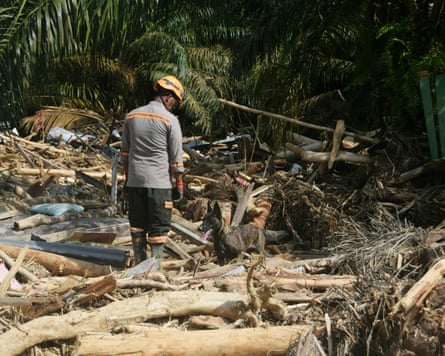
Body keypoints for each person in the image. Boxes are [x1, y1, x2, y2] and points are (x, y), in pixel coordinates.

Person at [120, 75, 185, 264]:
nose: (173, 106)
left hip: (135, 182)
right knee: (159, 227)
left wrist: (127, 180)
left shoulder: (131, 116)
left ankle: (140, 263)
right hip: (159, 184)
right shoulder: (170, 120)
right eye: (174, 102)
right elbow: (176, 161)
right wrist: (179, 185)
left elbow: (125, 155)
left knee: (137, 226)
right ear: (168, 97)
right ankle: (155, 268)